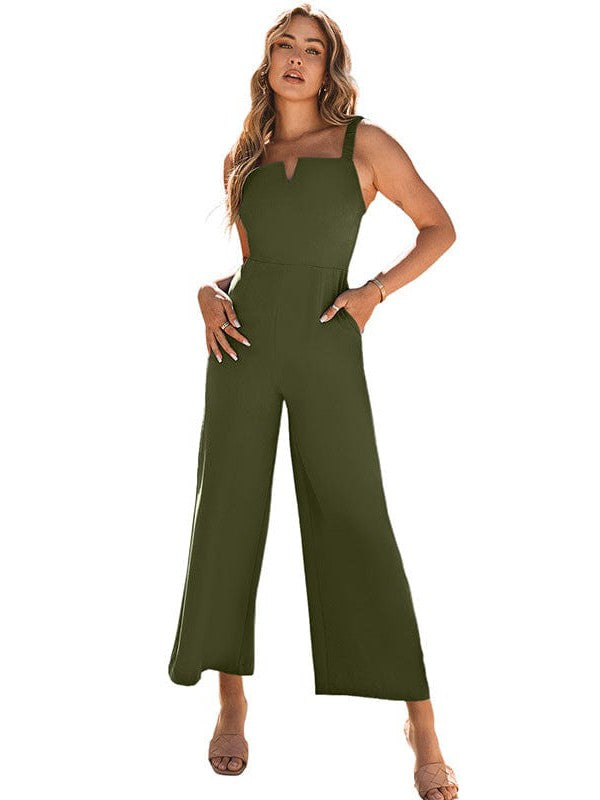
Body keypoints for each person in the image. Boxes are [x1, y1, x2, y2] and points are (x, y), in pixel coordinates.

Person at [168, 5, 458, 797]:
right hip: (241, 350)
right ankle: (231, 701)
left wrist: (374, 293)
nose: (296, 59)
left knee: (357, 514)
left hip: (329, 345)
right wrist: (207, 293)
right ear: (267, 63)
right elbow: (252, 266)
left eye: (313, 49)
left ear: (330, 66)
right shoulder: (248, 156)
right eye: (283, 46)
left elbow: (438, 227)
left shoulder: (366, 145)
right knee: (227, 516)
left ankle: (423, 724)